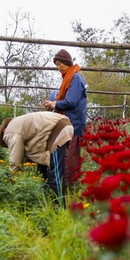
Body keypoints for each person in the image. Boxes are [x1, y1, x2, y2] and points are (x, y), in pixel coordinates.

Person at [0, 111, 73, 205]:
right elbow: (33, 146)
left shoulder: (10, 131)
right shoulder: (19, 123)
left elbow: (16, 155)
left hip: (58, 130)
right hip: (59, 127)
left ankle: (61, 207)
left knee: (55, 171)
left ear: (4, 131)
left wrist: (11, 175)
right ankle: (49, 201)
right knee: (44, 170)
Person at [43, 49, 87, 187]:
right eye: (56, 64)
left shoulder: (75, 77)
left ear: (67, 62)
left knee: (69, 160)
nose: (58, 67)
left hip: (73, 125)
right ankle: (68, 189)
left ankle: (69, 191)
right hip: (69, 124)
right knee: (68, 158)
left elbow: (71, 101)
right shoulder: (70, 77)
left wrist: (54, 104)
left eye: (59, 64)